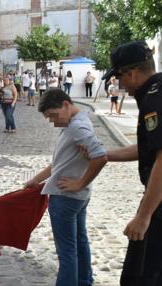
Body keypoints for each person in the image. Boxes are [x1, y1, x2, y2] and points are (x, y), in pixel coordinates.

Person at [25, 88, 107, 286]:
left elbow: (100, 156)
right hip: (78, 197)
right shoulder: (78, 120)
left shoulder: (76, 127)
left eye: (54, 115)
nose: (53, 122)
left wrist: (81, 182)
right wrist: (37, 179)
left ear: (66, 104)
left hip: (66, 197)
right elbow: (61, 162)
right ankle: (84, 282)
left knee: (67, 252)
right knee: (80, 243)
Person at [100, 41, 162, 286]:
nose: (120, 84)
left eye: (119, 77)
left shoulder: (154, 99)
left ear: (131, 73)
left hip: (158, 207)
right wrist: (106, 155)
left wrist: (144, 216)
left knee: (141, 277)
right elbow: (149, 148)